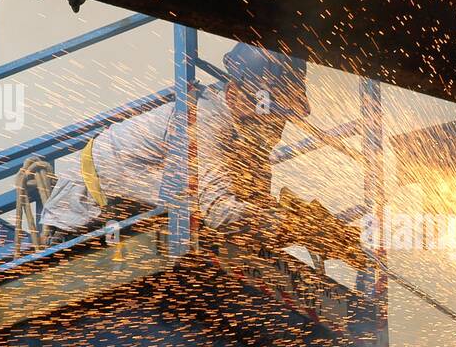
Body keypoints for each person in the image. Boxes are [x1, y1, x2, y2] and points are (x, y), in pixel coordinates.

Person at [39, 43, 310, 247]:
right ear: (234, 93)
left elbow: (253, 211)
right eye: (269, 115)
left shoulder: (245, 134)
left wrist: (302, 224)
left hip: (134, 214)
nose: (275, 127)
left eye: (280, 118)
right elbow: (220, 211)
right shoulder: (206, 121)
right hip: (83, 220)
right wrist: (292, 225)